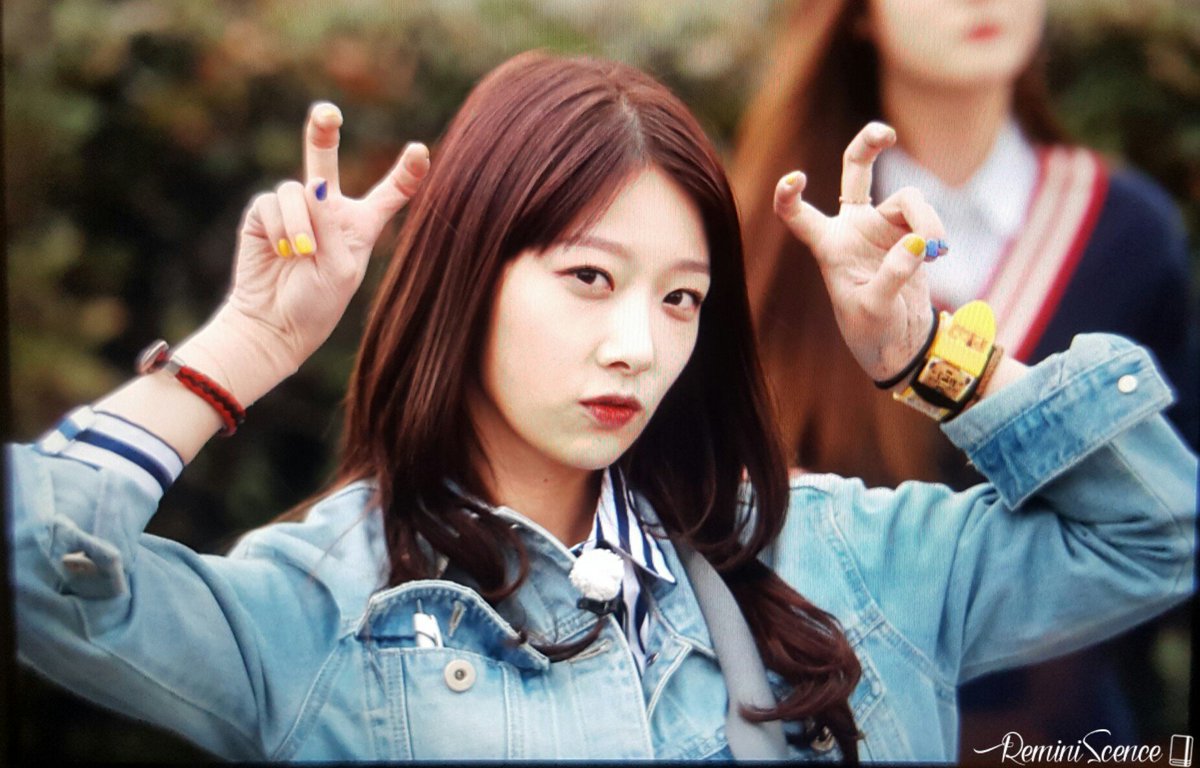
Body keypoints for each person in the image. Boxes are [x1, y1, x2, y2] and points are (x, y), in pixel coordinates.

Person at [8, 51, 1195, 763]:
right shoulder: (321, 613)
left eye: (682, 299)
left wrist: (932, 356)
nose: (639, 344)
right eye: (588, 277)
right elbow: (34, 564)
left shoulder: (841, 555)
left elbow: (1157, 535)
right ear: (472, 277)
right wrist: (246, 345)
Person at [730, 0, 1198, 754]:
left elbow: (1168, 523)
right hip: (843, 727)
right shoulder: (777, 229)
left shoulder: (1129, 234)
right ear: (857, 15)